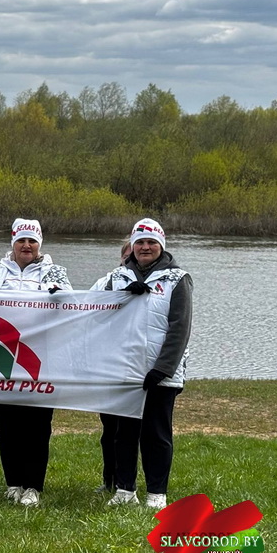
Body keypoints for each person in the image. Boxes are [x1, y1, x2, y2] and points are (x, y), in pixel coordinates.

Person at [95, 218, 192, 510]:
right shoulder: (118, 277)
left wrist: (163, 368)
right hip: (124, 370)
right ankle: (124, 490)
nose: (145, 247)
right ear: (132, 246)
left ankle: (156, 494)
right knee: (123, 433)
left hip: (160, 373)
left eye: (151, 242)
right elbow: (97, 316)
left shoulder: (178, 279)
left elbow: (180, 328)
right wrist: (121, 297)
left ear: (161, 245)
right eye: (140, 242)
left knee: (156, 434)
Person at [0, 218, 72, 507]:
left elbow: (74, 305)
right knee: (7, 424)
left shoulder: (55, 271)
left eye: (32, 241)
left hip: (39, 357)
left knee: (37, 425)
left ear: (39, 244)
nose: (27, 246)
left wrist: (59, 295)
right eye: (21, 240)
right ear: (13, 243)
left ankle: (33, 485)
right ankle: (13, 482)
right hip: (2, 351)